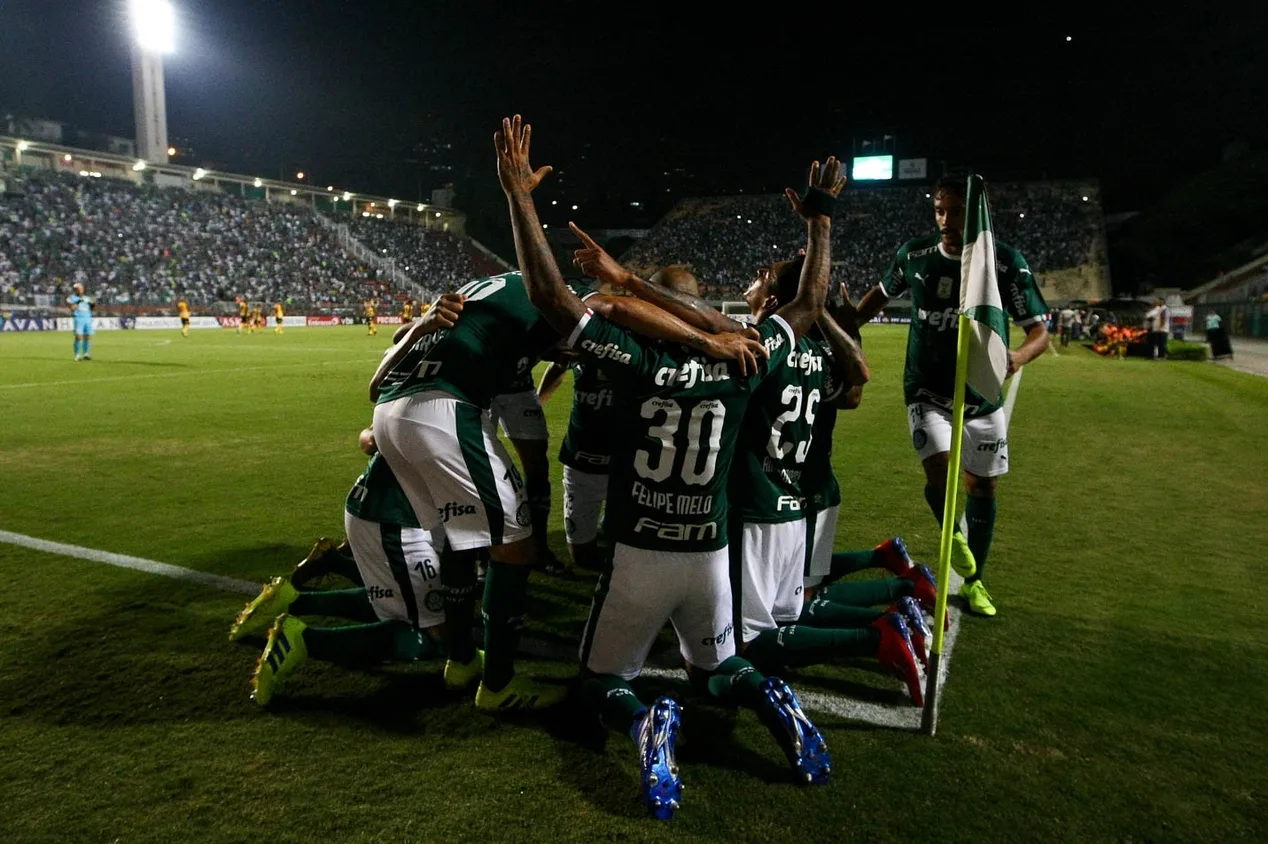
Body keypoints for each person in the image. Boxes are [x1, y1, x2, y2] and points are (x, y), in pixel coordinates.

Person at [502, 114, 841, 814]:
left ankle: (645, 721)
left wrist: (519, 196)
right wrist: (820, 222)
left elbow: (554, 298)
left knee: (599, 681)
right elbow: (809, 301)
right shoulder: (748, 357)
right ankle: (769, 695)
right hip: (709, 553)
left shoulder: (637, 361)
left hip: (640, 553)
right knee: (717, 667)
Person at [369, 227, 764, 713]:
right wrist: (709, 342)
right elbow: (613, 309)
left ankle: (461, 659)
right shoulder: (567, 295)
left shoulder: (489, 287)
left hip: (392, 410)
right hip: (444, 411)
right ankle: (497, 685)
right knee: (517, 547)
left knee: (458, 538)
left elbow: (395, 347)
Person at [849, 172, 1050, 617]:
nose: (945, 218)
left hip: (982, 395)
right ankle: (953, 538)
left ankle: (975, 580)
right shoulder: (915, 254)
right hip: (926, 389)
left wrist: (1015, 357)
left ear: (979, 212)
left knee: (983, 486)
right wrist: (846, 326)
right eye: (939, 209)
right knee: (939, 471)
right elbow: (879, 296)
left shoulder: (1003, 262)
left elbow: (1040, 332)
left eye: (956, 210)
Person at [231, 427, 449, 706]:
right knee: (431, 636)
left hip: (379, 510)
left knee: (395, 598)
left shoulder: (422, 390)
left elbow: (369, 437)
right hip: (395, 524)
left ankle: (294, 600)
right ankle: (305, 640)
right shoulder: (457, 401)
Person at [67, 282, 94, 360]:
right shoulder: (71, 298)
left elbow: (91, 308)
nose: (80, 290)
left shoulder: (87, 298)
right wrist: (79, 301)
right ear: (75, 290)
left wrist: (92, 304)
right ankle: (77, 355)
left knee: (87, 337)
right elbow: (72, 308)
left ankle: (86, 354)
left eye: (81, 289)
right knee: (78, 337)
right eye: (78, 289)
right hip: (78, 319)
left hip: (87, 318)